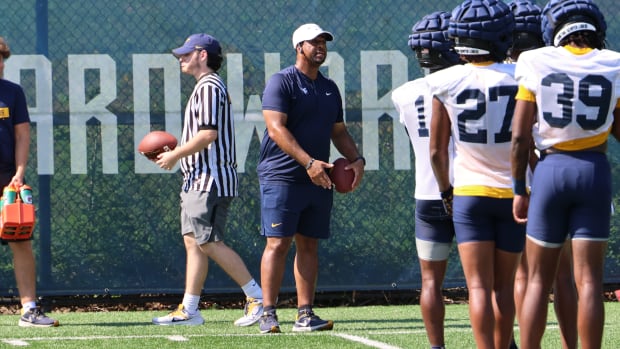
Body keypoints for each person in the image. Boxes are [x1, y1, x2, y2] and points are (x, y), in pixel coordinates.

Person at [511, 0, 620, 347]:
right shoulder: (614, 62)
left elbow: (518, 136)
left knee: (538, 281)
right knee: (589, 280)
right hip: (594, 170)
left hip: (551, 169)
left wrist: (518, 188)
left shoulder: (535, 60)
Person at [428, 1, 524, 348]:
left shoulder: (445, 80)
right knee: (504, 287)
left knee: (478, 287)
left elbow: (438, 152)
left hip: (469, 193)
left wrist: (446, 192)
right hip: (513, 194)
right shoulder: (522, 76)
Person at [257, 23, 364, 334]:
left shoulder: (329, 88)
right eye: (313, 42)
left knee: (309, 246)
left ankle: (305, 315)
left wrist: (357, 160)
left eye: (323, 42)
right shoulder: (282, 82)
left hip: (318, 179)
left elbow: (339, 132)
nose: (320, 47)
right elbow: (276, 129)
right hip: (282, 177)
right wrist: (308, 163)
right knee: (277, 243)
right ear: (298, 47)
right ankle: (267, 313)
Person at [152, 33, 263, 327]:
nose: (181, 58)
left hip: (209, 179)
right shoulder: (204, 88)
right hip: (196, 179)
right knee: (194, 242)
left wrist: (175, 155)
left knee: (210, 242)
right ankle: (190, 310)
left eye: (187, 53)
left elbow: (208, 134)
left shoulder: (210, 87)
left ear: (203, 55)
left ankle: (256, 298)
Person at [507, 2, 577, 348]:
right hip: (558, 171)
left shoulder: (501, 72)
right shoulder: (557, 67)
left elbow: (516, 137)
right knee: (564, 273)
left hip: (512, 179)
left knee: (524, 274)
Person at [391, 11, 460, 349]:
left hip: (428, 194)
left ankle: (436, 347)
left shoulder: (402, 93)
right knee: (485, 282)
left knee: (430, 281)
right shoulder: (465, 82)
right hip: (470, 192)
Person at [0, 36, 59, 328]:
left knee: (20, 239)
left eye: (1, 58)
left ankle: (29, 310)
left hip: (7, 179)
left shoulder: (13, 93)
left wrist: (20, 172)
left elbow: (22, 135)